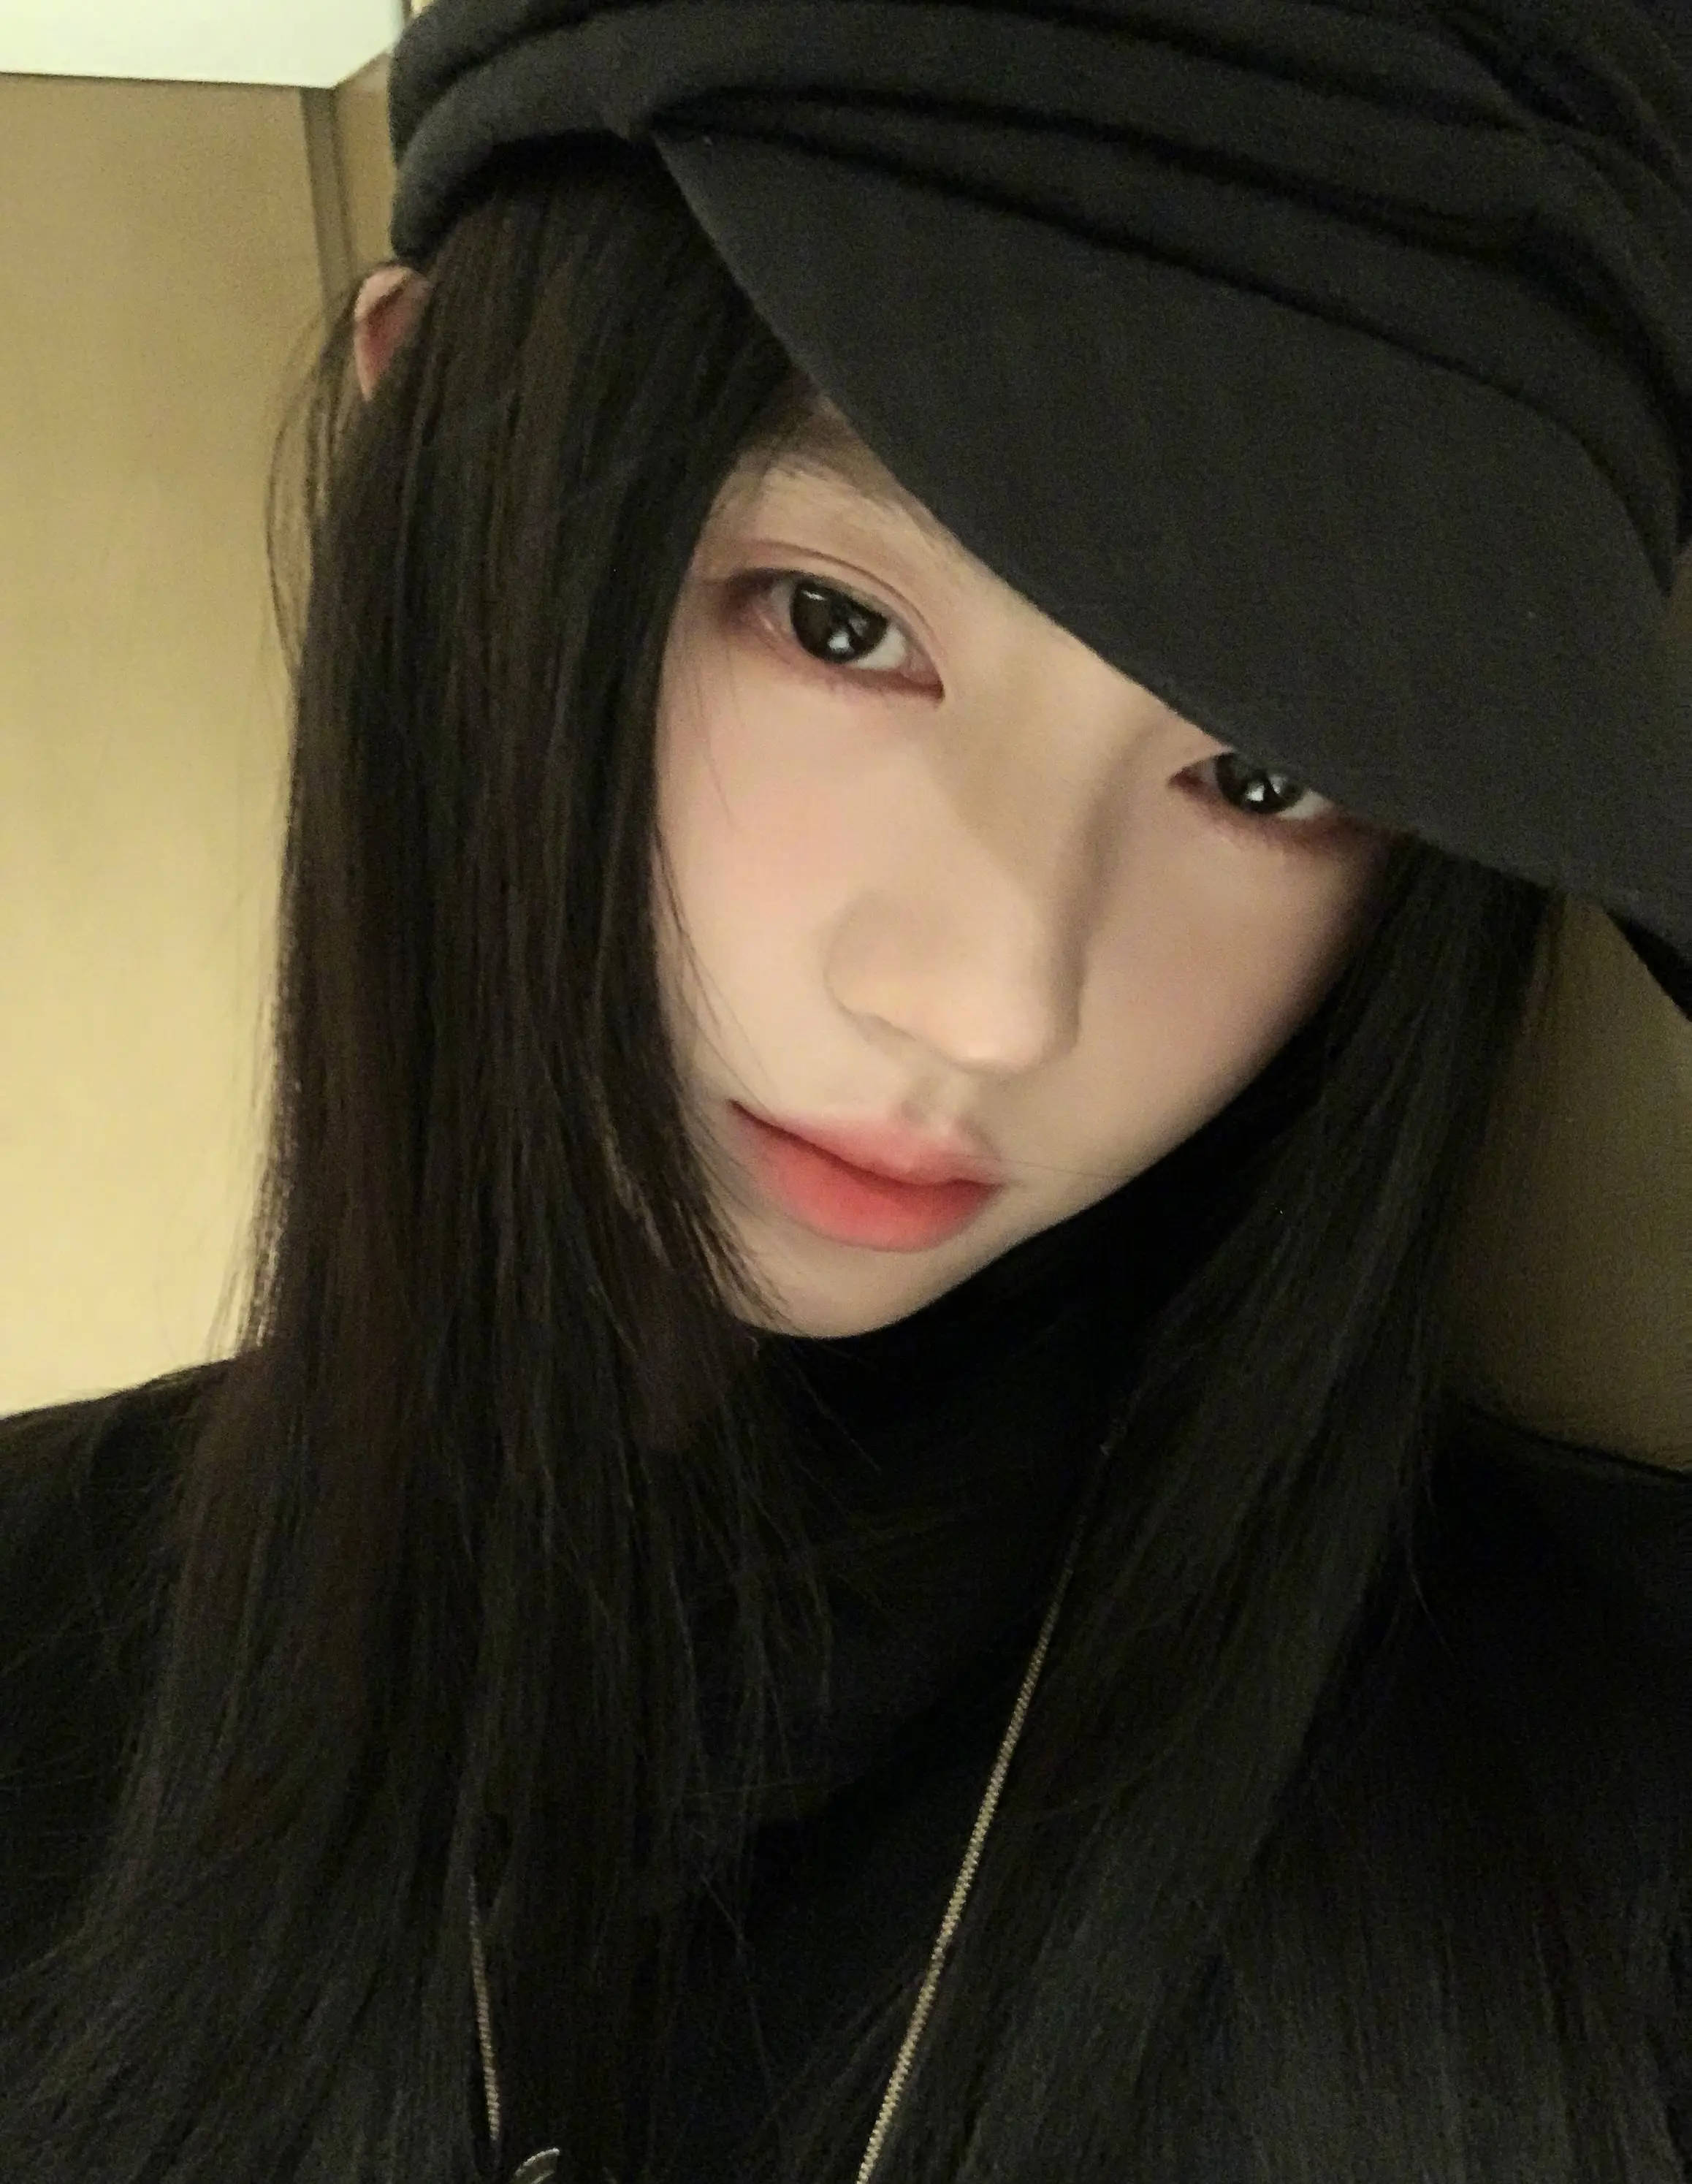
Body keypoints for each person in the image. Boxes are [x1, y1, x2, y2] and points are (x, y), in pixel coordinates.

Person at [2, 5, 1689, 2182]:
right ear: (434, 451)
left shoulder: (1605, 1807)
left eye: (1271, 772)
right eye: (830, 620)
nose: (990, 1003)